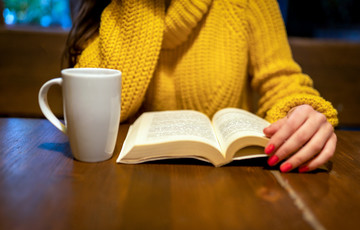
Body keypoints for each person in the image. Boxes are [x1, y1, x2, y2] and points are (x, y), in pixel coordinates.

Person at [65, 0, 338, 173]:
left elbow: (281, 82)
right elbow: (100, 108)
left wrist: (301, 113)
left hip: (234, 178)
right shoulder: (107, 8)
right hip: (122, 177)